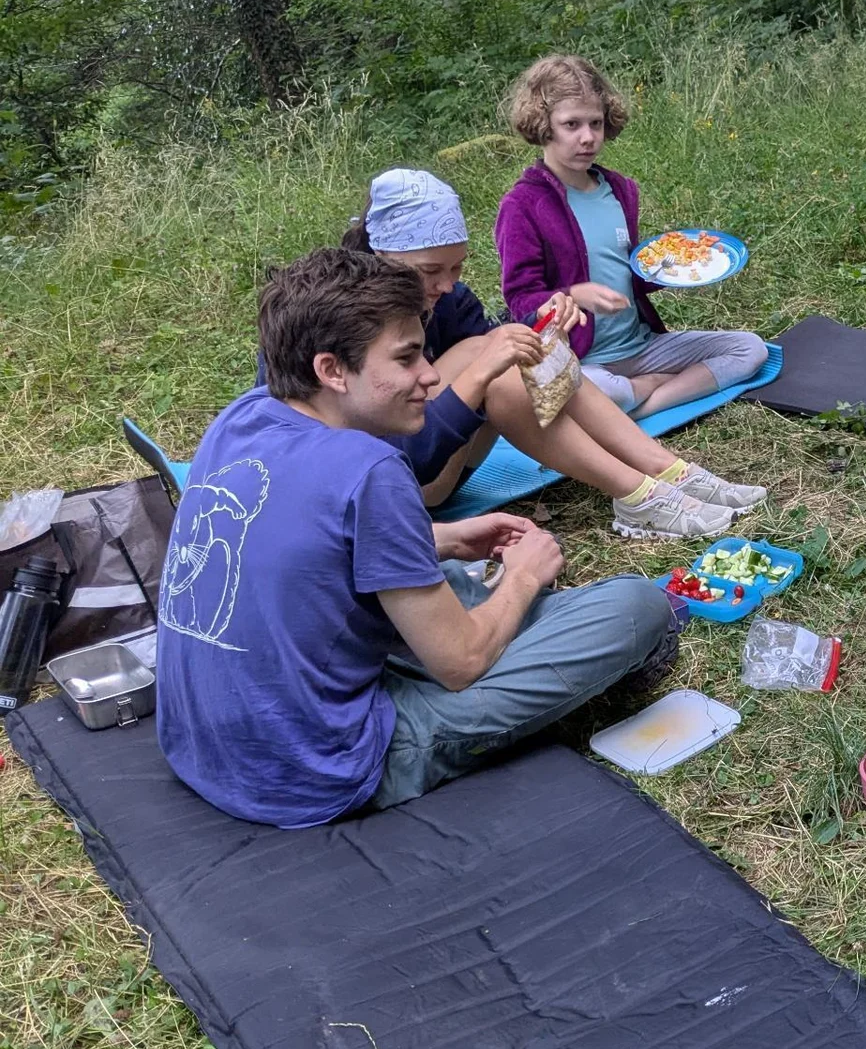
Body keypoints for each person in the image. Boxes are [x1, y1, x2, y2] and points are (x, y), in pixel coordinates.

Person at [156, 247, 679, 829]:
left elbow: (302, 538)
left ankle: (501, 606)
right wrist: (526, 576)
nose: (430, 376)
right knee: (635, 606)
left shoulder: (243, 416)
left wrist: (446, 537)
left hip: (202, 746)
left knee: (452, 577)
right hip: (317, 770)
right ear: (331, 370)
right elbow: (461, 663)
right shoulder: (369, 468)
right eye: (406, 359)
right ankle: (549, 627)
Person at [339, 169, 760, 540]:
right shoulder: (346, 321)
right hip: (399, 482)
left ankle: (668, 473)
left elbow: (511, 369)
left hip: (446, 461)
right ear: (383, 256)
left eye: (457, 268)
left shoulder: (451, 302)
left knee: (517, 351)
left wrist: (542, 333)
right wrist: (495, 357)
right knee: (492, 353)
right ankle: (639, 493)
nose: (447, 284)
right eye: (431, 270)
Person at [495, 54, 771, 424]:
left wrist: (688, 263)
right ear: (543, 126)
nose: (588, 137)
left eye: (596, 123)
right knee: (582, 392)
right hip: (580, 358)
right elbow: (520, 299)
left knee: (750, 350)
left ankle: (643, 405)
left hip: (642, 346)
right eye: (571, 124)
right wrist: (575, 295)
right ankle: (646, 390)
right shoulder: (522, 205)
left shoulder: (620, 190)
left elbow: (631, 273)